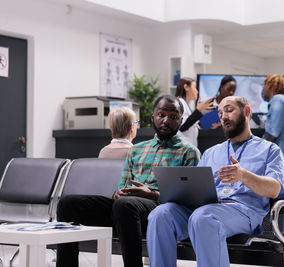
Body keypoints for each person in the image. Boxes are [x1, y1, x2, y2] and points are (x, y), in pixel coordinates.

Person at [56, 95, 201, 267]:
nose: (166, 120)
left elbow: (188, 199)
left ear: (181, 120)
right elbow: (123, 186)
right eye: (161, 115)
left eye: (173, 116)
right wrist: (118, 193)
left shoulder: (189, 152)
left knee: (125, 205)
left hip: (159, 210)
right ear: (152, 117)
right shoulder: (137, 150)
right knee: (68, 204)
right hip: (126, 209)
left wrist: (153, 194)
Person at [146, 96, 284, 267]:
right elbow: (197, 190)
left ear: (246, 111)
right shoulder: (211, 153)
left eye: (229, 110)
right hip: (208, 207)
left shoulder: (270, 150)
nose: (223, 117)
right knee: (160, 215)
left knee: (203, 217)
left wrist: (244, 176)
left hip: (244, 211)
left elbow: (275, 189)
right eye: (220, 114)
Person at [175, 77, 214, 146]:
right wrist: (198, 110)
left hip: (189, 147)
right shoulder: (180, 103)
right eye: (195, 88)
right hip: (183, 147)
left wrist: (210, 125)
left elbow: (192, 124)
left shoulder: (186, 105)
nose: (197, 91)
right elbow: (183, 127)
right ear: (186, 87)